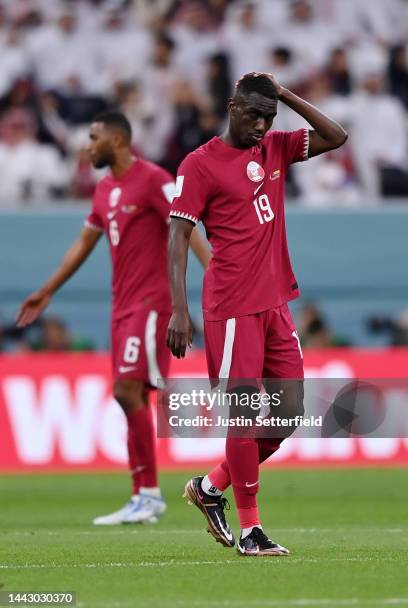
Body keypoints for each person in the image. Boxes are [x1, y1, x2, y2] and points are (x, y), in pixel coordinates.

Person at [167, 72, 347, 556]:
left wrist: (285, 95)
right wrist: (179, 311)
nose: (262, 126)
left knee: (288, 415)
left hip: (275, 304)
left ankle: (209, 488)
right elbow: (178, 237)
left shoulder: (273, 148)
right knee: (244, 419)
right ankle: (251, 531)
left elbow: (337, 136)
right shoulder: (199, 164)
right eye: (253, 116)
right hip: (230, 309)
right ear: (231, 107)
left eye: (269, 118)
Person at [17, 111, 210, 525]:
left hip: (152, 304)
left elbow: (187, 227)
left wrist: (215, 276)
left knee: (127, 390)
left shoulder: (155, 179)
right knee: (132, 396)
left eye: (93, 137)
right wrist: (47, 290)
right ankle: (143, 495)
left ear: (118, 141)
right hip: (121, 307)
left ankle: (150, 494)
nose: (87, 146)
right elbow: (84, 243)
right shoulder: (105, 190)